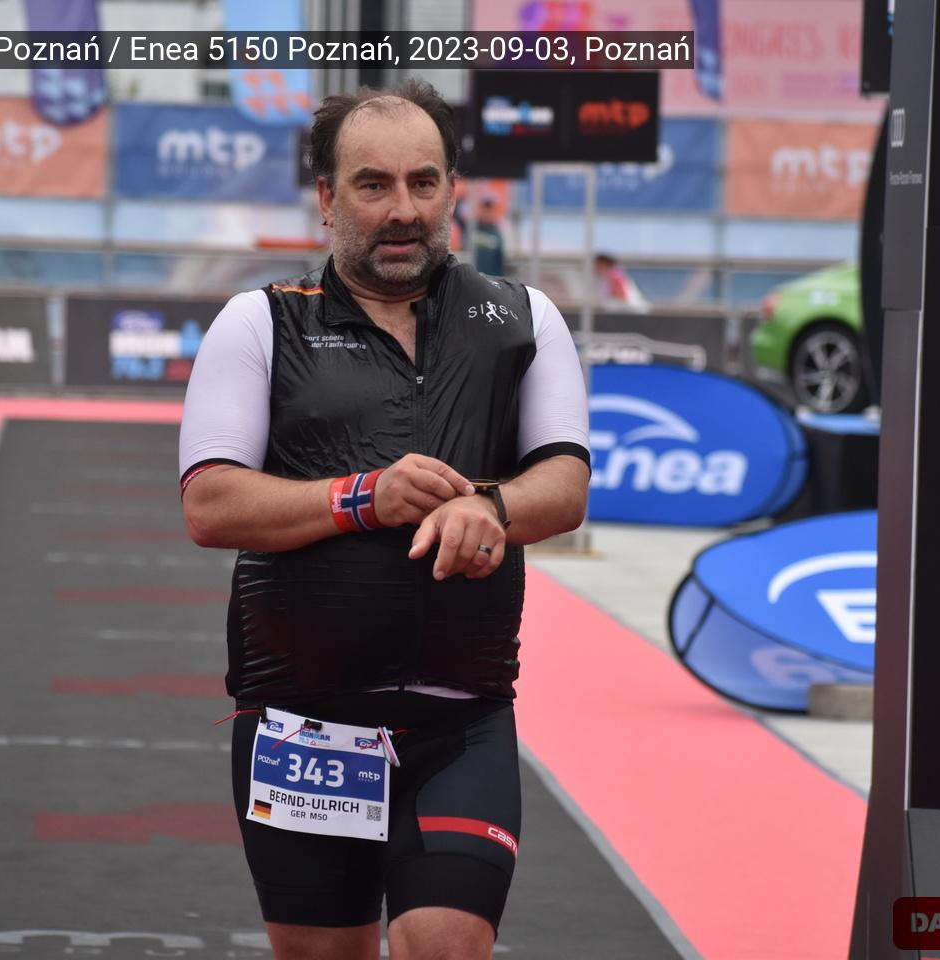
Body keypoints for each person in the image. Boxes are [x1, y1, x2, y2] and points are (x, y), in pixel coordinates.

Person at [178, 79, 590, 960]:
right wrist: (361, 497)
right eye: (373, 184)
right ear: (327, 198)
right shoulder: (260, 322)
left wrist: (490, 506)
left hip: (461, 722)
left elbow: (566, 483)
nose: (403, 210)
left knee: (444, 941)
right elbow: (209, 503)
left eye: (423, 182)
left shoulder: (522, 319)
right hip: (301, 725)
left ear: (453, 190)